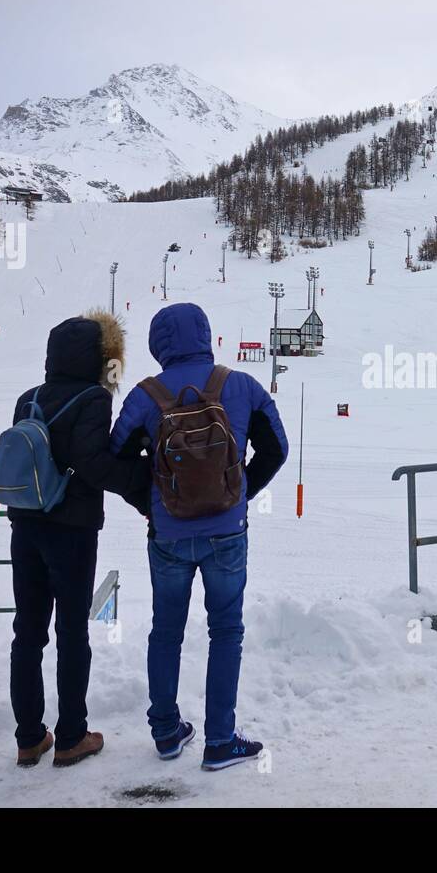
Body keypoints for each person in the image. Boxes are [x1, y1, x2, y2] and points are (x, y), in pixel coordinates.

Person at [111, 303, 288, 769]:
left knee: (165, 631)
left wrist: (151, 504)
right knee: (226, 630)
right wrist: (240, 494)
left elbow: (117, 461)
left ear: (158, 344)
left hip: (167, 535)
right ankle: (220, 740)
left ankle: (167, 733)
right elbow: (277, 448)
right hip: (227, 533)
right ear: (206, 334)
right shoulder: (242, 385)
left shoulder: (143, 396)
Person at [7, 311, 151, 769]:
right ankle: (71, 736)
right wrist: (141, 482)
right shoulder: (93, 398)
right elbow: (92, 463)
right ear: (100, 358)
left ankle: (30, 738)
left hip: (25, 524)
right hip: (71, 530)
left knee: (27, 631)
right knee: (71, 631)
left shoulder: (27, 398)